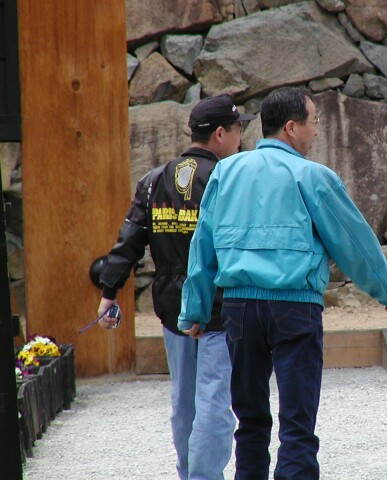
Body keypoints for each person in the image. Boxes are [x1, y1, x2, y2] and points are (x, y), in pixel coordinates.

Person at [178, 86, 387, 480]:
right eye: (314, 122)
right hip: (295, 307)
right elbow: (354, 242)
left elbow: (202, 247)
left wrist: (194, 310)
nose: (317, 130)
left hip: (239, 310)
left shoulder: (226, 172)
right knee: (297, 423)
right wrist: (384, 289)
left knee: (250, 421)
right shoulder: (313, 176)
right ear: (292, 127)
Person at [97, 94, 256, 480]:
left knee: (184, 402)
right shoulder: (229, 179)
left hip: (172, 309)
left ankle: (189, 474)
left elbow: (129, 241)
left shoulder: (154, 180)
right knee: (214, 400)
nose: (241, 139)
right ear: (220, 134)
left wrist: (108, 293)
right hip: (219, 308)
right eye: (238, 130)